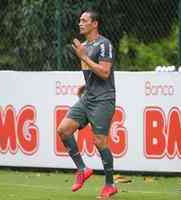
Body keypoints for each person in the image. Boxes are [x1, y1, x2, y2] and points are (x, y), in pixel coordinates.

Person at [56, 10, 118, 199]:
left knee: (99, 141)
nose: (80, 23)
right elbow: (93, 73)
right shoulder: (83, 46)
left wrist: (83, 57)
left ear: (94, 24)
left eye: (84, 20)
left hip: (103, 99)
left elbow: (105, 72)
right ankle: (82, 169)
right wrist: (86, 85)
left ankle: (110, 185)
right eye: (80, 20)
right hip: (88, 97)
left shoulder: (104, 44)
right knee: (64, 130)